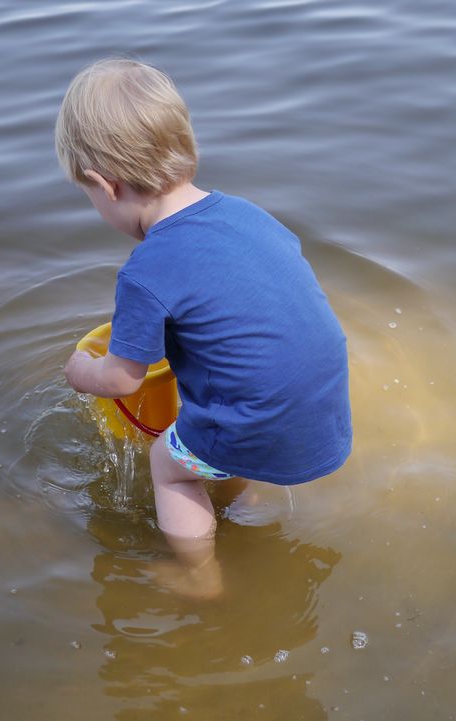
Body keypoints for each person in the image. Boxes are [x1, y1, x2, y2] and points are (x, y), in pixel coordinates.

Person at [56, 58, 352, 599]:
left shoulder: (147, 271)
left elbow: (123, 380)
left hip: (260, 415)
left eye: (89, 195)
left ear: (106, 184)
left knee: (168, 465)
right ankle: (245, 501)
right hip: (322, 404)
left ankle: (201, 577)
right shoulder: (248, 214)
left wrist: (82, 371)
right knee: (227, 401)